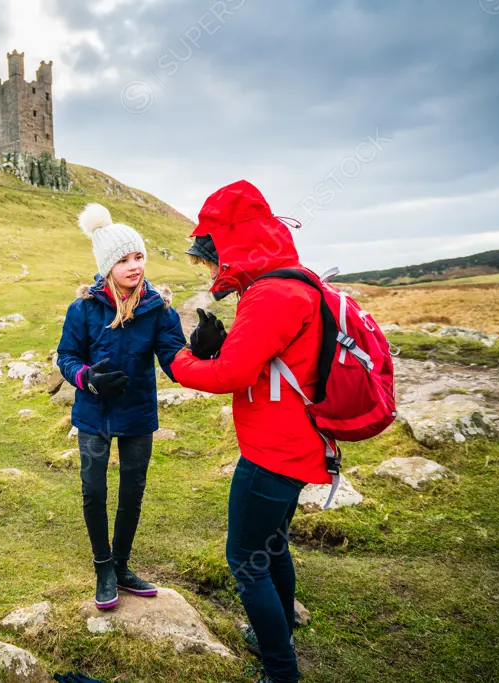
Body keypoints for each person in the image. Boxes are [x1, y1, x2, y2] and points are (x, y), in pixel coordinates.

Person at [171, 180, 330, 683]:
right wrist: (220, 347)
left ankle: (280, 671)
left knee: (244, 560)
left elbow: (232, 376)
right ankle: (277, 633)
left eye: (211, 256)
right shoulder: (291, 281)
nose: (212, 269)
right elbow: (266, 364)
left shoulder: (271, 294)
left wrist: (181, 362)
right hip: (295, 440)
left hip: (273, 450)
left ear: (233, 244)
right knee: (272, 545)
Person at [56, 203, 186, 610]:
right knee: (94, 492)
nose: (134, 265)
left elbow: (175, 359)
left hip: (138, 414)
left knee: (133, 493)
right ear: (107, 265)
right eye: (124, 259)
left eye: (139, 256)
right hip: (93, 415)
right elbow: (66, 356)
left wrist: (202, 351)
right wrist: (87, 379)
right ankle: (103, 568)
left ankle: (124, 566)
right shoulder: (83, 309)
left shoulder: (158, 310)